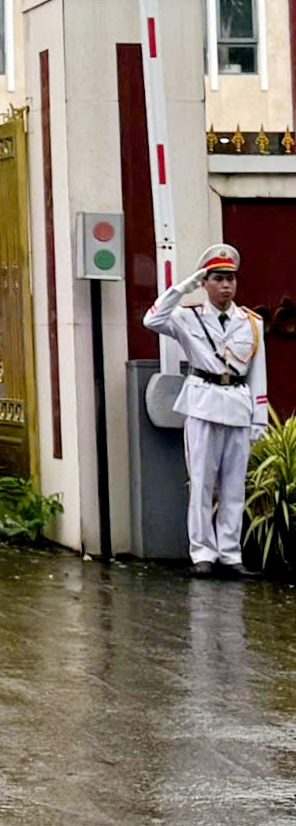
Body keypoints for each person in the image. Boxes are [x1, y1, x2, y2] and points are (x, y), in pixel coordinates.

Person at [144, 244, 269, 579]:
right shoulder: (188, 317)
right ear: (206, 282)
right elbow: (151, 319)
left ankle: (230, 553)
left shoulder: (251, 323)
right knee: (201, 483)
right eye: (218, 278)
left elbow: (258, 374)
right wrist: (183, 287)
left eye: (230, 279)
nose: (226, 285)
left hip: (238, 406)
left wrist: (260, 420)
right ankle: (202, 553)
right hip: (202, 403)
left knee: (233, 486)